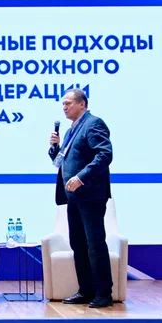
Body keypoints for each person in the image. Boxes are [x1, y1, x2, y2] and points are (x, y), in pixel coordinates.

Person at [47, 87, 115, 307]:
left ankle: (103, 292)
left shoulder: (94, 124)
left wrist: (81, 177)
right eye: (63, 104)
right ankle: (85, 289)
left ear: (82, 104)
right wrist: (54, 148)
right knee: (78, 243)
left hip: (91, 195)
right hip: (74, 197)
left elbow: (104, 154)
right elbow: (61, 160)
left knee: (95, 244)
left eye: (68, 103)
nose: (64, 107)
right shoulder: (71, 130)